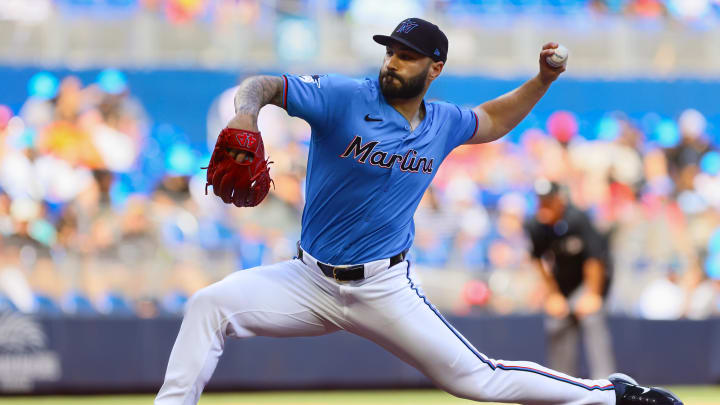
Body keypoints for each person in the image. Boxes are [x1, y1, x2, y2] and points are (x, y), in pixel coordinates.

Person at [155, 18, 682, 405]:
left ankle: (612, 396)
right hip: (307, 279)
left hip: (383, 287)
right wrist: (246, 113)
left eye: (406, 55)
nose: (392, 61)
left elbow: (493, 120)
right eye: (390, 51)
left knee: (478, 379)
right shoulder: (342, 97)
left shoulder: (444, 122)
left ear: (435, 67)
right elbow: (265, 84)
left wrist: (542, 81)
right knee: (209, 305)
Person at [524, 179, 616, 380]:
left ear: (559, 200)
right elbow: (539, 262)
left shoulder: (577, 218)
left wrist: (592, 294)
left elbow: (595, 259)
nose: (544, 206)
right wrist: (553, 295)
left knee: (592, 320)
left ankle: (607, 384)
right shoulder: (535, 225)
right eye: (541, 202)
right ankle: (562, 384)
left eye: (548, 201)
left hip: (589, 281)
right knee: (556, 324)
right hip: (563, 284)